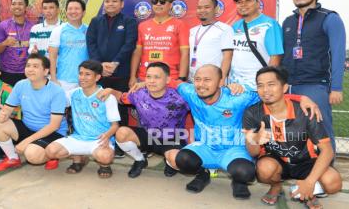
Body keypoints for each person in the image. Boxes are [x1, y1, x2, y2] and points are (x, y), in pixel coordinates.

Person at [131, 64, 319, 199]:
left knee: (245, 172)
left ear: (221, 81)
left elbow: (269, 94)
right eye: (197, 79)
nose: (201, 84)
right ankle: (202, 174)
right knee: (182, 159)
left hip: (233, 149)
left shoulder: (238, 97)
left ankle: (238, 181)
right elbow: (167, 80)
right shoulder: (190, 92)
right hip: (205, 146)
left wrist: (299, 97)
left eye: (207, 80)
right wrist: (142, 83)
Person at [243, 66, 342, 208]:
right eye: (260, 85)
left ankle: (308, 191)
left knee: (333, 182)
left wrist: (310, 182)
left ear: (284, 88)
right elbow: (253, 152)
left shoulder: (305, 110)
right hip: (277, 161)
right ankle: (276, 186)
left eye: (271, 84)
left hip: (306, 162)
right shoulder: (252, 113)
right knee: (264, 169)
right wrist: (255, 140)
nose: (265, 90)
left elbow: (327, 150)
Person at [282, 0, 346, 152]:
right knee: (296, 133)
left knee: (321, 133)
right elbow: (285, 56)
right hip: (290, 87)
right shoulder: (288, 21)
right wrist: (282, 82)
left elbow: (338, 54)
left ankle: (326, 175)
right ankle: (303, 174)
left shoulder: (330, 18)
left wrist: (336, 87)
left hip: (315, 85)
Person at [98, 62, 189, 178]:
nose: (151, 81)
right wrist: (111, 91)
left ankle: (170, 163)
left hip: (171, 138)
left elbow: (199, 99)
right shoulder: (139, 94)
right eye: (148, 77)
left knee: (177, 161)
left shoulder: (180, 98)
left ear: (167, 80)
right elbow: (122, 98)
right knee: (121, 133)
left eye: (157, 77)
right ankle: (140, 159)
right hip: (148, 136)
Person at [0, 53, 67, 172]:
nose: (30, 69)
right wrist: (3, 115)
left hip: (52, 132)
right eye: (28, 65)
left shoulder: (57, 91)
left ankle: (52, 155)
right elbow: (8, 108)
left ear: (46, 71)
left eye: (35, 66)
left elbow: (54, 125)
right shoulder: (21, 85)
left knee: (32, 155)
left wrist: (26, 142)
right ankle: (12, 158)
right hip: (29, 128)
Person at [46, 60, 120, 178]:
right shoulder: (74, 93)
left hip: (99, 140)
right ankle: (78, 160)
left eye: (87, 74)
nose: (82, 77)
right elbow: (56, 101)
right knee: (51, 151)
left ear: (97, 77)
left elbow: (115, 125)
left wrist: (107, 136)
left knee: (105, 157)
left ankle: (104, 165)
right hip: (78, 138)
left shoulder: (107, 97)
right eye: (80, 73)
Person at [86, 0, 138, 156]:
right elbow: (91, 44)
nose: (110, 4)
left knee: (121, 107)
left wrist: (115, 63)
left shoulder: (129, 21)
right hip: (100, 73)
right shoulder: (95, 21)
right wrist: (101, 66)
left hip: (121, 72)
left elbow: (129, 44)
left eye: (114, 1)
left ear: (121, 4)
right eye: (107, 1)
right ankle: (104, 141)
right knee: (101, 107)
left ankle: (122, 146)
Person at [129, 0, 189, 87]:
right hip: (144, 78)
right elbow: (137, 53)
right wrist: (132, 76)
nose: (158, 4)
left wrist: (182, 78)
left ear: (170, 5)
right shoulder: (142, 26)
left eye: (162, 1)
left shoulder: (180, 25)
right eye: (155, 1)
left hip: (170, 79)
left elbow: (185, 53)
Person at [229, 0, 283, 91]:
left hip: (257, 87)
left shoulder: (269, 24)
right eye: (239, 2)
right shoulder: (235, 26)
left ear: (258, 3)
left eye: (248, 0)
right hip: (235, 86)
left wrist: (266, 84)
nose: (243, 4)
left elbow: (275, 57)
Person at [189, 0, 233, 83]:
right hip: (193, 80)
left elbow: (228, 56)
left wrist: (222, 78)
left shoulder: (225, 29)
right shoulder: (192, 30)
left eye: (207, 7)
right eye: (199, 8)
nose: (202, 10)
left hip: (213, 80)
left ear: (216, 9)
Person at [49, 0, 89, 91]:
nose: (73, 11)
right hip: (64, 80)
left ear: (83, 12)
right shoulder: (58, 30)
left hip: (86, 80)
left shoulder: (89, 30)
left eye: (77, 8)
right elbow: (52, 57)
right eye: (70, 9)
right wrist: (54, 78)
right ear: (66, 12)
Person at [0, 0, 34, 86]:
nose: (17, 6)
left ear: (25, 7)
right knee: (7, 100)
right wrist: (5, 43)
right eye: (14, 4)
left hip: (28, 72)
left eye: (20, 4)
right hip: (6, 73)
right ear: (10, 7)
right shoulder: (2, 26)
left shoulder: (33, 27)